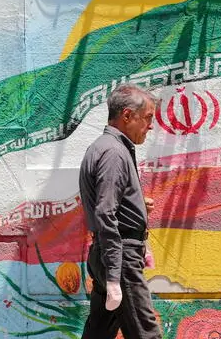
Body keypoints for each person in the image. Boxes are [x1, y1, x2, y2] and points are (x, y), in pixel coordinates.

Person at [79, 83, 162, 339]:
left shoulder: (105, 147)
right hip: (120, 259)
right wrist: (116, 274)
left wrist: (136, 205)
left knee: (99, 332)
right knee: (146, 333)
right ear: (127, 116)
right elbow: (106, 213)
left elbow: (109, 204)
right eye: (147, 118)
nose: (151, 125)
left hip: (112, 256)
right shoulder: (114, 152)